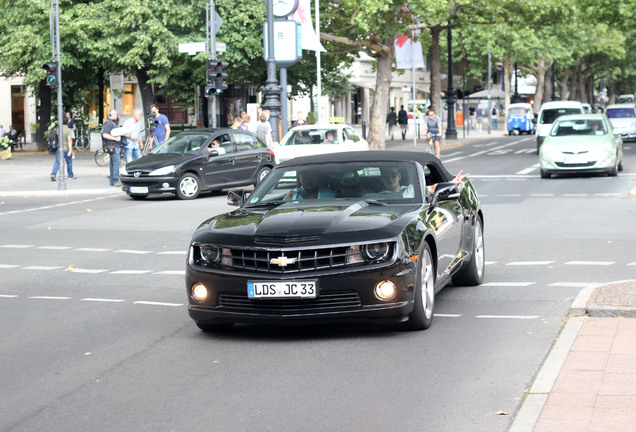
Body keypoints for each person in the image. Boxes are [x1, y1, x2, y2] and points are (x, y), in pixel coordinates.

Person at [50, 116, 76, 181]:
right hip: (66, 149)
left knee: (57, 162)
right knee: (69, 162)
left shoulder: (58, 129)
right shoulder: (68, 130)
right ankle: (70, 175)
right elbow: (69, 140)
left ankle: (53, 173)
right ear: (67, 122)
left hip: (58, 148)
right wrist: (70, 150)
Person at [102, 109, 122, 187]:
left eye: (116, 114)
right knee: (117, 163)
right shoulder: (109, 123)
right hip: (112, 146)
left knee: (113, 163)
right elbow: (105, 134)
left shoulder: (111, 123)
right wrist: (116, 139)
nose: (116, 116)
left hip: (112, 146)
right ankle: (116, 180)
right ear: (110, 115)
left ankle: (112, 181)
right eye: (114, 115)